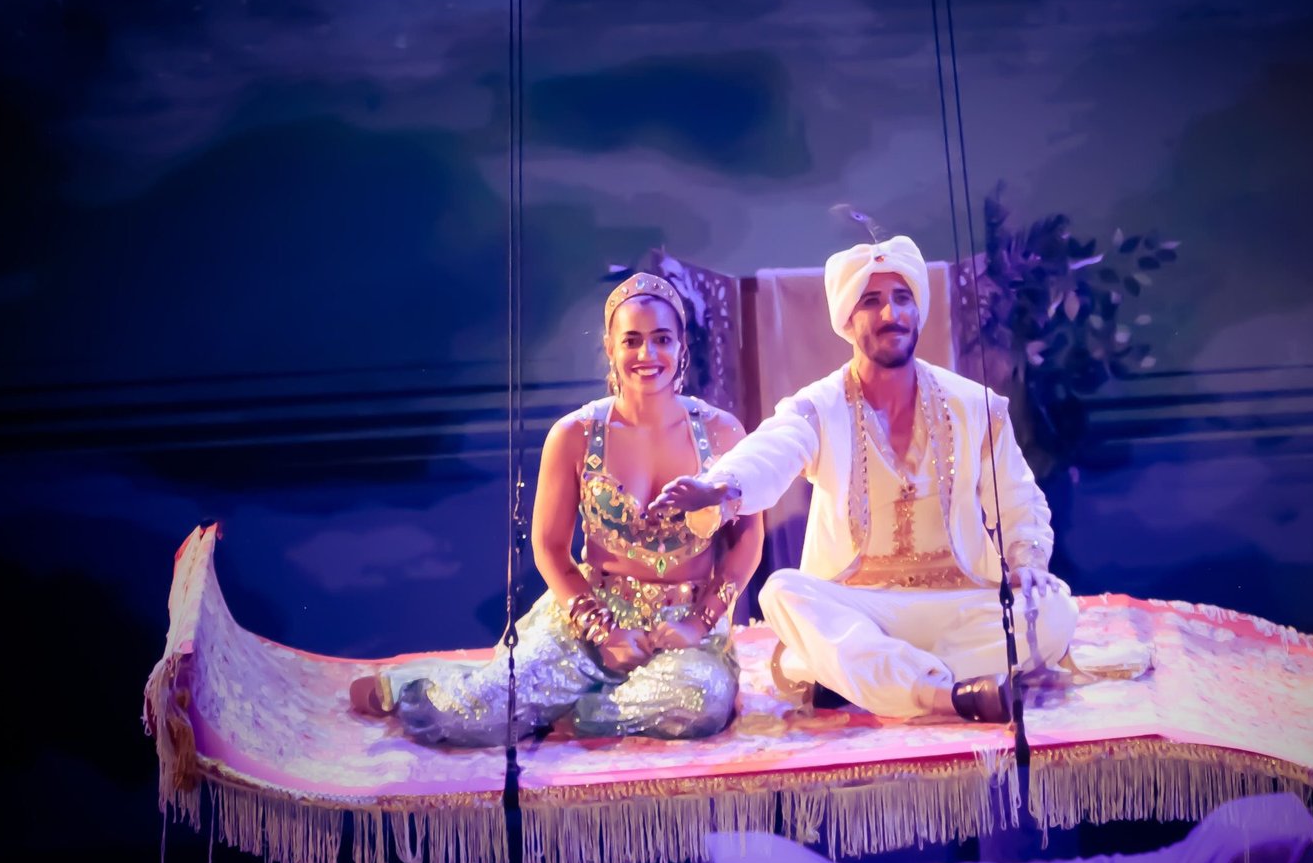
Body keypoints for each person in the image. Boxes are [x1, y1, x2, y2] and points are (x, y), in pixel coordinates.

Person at [653, 236, 1077, 724]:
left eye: (902, 298)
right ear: (847, 321)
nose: (891, 314)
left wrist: (1027, 560)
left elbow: (1019, 497)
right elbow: (773, 448)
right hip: (858, 608)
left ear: (917, 310)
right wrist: (722, 486)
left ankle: (868, 676)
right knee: (782, 592)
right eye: (871, 301)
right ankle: (945, 693)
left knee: (1054, 612)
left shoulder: (974, 406)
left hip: (956, 603)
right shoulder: (820, 406)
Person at [350, 272, 763, 744]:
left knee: (700, 703)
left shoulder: (723, 433)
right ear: (610, 347)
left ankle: (571, 710)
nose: (647, 355)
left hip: (684, 629)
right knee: (472, 717)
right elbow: (549, 547)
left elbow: (749, 538)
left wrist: (700, 620)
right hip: (594, 617)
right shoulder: (574, 435)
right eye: (631, 340)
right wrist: (602, 630)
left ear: (682, 346)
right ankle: (417, 685)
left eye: (661, 339)